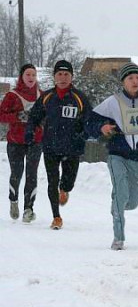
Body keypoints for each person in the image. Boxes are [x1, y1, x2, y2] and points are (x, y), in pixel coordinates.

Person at [85, 63, 138, 250]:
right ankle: (118, 237)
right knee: (121, 191)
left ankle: (117, 207)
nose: (135, 81)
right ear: (123, 81)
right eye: (130, 78)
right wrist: (101, 128)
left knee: (134, 200)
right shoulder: (113, 101)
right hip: (117, 154)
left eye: (137, 77)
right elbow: (90, 120)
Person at [25, 60, 92, 230]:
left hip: (72, 148)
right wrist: (30, 131)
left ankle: (65, 189)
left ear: (71, 77)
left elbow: (90, 121)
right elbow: (34, 117)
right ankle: (56, 217)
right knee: (51, 181)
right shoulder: (47, 97)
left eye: (66, 74)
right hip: (50, 147)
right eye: (59, 74)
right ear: (54, 77)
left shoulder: (79, 97)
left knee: (68, 182)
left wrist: (83, 135)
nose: (63, 78)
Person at [0, 63, 43, 223]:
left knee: (32, 175)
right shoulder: (12, 95)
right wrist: (18, 116)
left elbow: (48, 116)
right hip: (16, 141)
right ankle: (14, 201)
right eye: (28, 75)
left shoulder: (41, 95)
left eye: (33, 75)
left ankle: (28, 209)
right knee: (17, 173)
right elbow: (1, 115)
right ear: (21, 77)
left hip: (35, 141)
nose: (31, 78)